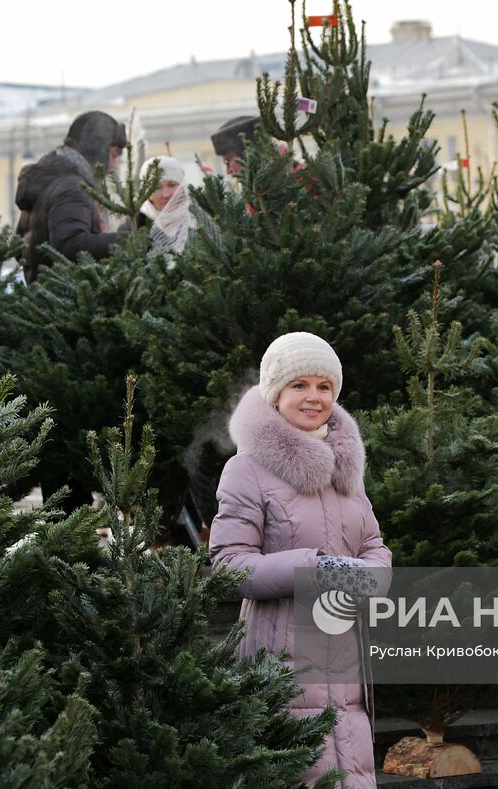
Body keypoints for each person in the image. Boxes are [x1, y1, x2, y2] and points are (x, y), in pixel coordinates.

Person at [209, 332, 392, 788]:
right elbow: (229, 564)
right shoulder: (246, 468)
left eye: (324, 386)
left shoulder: (345, 467)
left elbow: (375, 549)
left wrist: (369, 577)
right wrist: (315, 569)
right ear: (276, 393)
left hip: (347, 661)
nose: (314, 397)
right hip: (281, 662)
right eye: (300, 385)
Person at [14, 110, 127, 280]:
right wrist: (126, 241)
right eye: (112, 155)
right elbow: (70, 246)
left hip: (43, 296)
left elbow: (19, 247)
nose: (113, 164)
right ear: (96, 148)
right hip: (65, 298)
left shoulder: (50, 179)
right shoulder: (71, 187)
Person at [137, 155, 216, 256]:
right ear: (146, 192)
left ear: (182, 186)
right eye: (157, 187)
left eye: (172, 185)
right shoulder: (135, 225)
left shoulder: (199, 220)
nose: (166, 194)